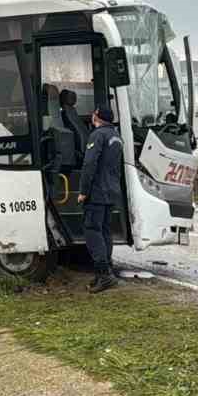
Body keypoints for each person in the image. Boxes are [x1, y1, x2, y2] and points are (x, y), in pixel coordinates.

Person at [76, 104, 124, 292]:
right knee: (104, 231)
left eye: (94, 113)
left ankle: (104, 275)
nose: (92, 115)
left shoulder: (97, 135)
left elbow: (89, 164)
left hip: (96, 192)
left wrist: (83, 191)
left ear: (98, 117)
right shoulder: (116, 136)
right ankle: (105, 272)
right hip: (111, 191)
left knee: (92, 230)